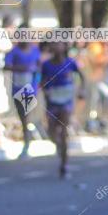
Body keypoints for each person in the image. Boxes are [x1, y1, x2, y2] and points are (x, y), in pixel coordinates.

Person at [40, 41, 85, 179]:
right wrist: (45, 89)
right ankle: (59, 145)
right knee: (51, 132)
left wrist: (82, 90)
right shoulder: (46, 65)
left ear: (65, 46)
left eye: (59, 44)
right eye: (53, 44)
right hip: (52, 101)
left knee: (64, 131)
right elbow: (41, 80)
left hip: (66, 101)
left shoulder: (70, 62)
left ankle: (64, 165)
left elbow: (82, 76)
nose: (56, 47)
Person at [3, 28, 42, 158]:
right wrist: (21, 68)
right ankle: (27, 139)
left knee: (26, 116)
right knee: (23, 117)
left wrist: (38, 76)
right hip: (17, 88)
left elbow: (40, 65)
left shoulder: (35, 50)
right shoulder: (14, 51)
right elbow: (6, 66)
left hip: (31, 88)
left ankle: (27, 143)